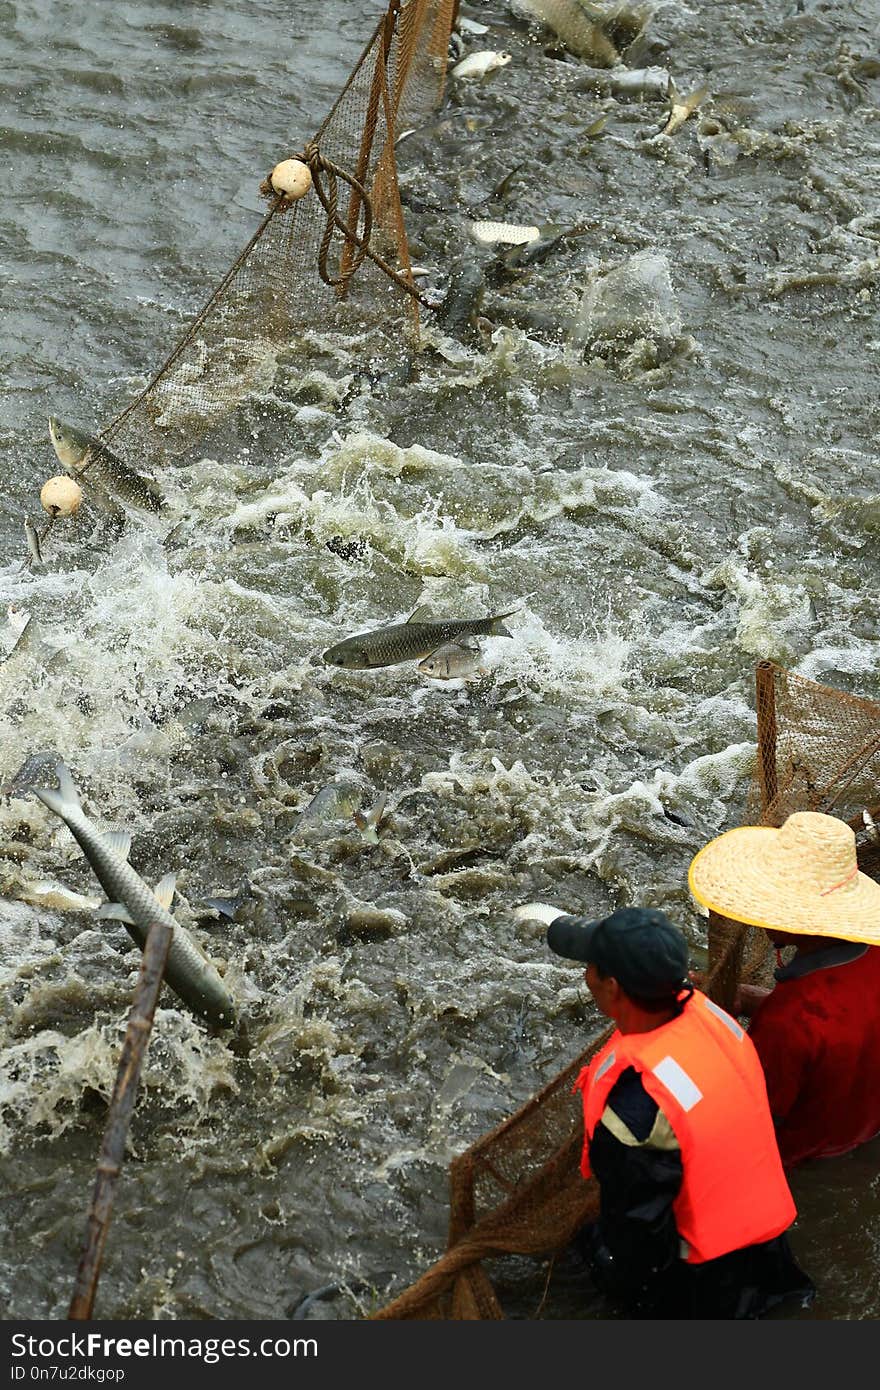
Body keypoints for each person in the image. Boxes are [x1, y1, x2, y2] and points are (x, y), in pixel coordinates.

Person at [514, 901, 814, 1318]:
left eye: (591, 967)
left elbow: (639, 1237)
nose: (585, 976)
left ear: (613, 986)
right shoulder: (711, 1017)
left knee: (588, 1253)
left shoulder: (634, 1105)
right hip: (771, 1255)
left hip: (707, 1281)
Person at [688, 809, 880, 1168]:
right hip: (864, 1126)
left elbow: (750, 1116)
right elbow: (844, 1024)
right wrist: (746, 997)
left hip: (804, 1152)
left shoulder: (789, 1020)